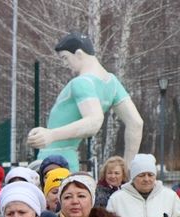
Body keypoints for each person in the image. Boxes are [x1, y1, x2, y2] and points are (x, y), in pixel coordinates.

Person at [26, 32, 143, 171]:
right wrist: (129, 169)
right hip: (68, 158)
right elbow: (136, 123)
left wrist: (51, 135)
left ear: (79, 54)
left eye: (65, 58)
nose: (65, 63)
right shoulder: (112, 82)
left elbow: (94, 121)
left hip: (53, 159)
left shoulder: (82, 82)